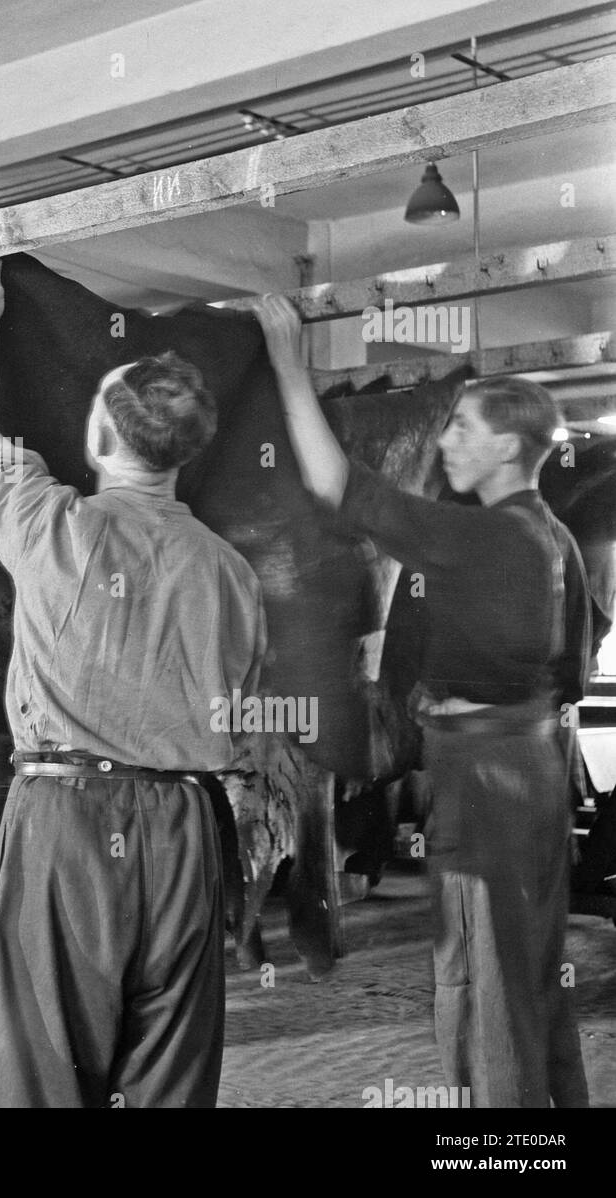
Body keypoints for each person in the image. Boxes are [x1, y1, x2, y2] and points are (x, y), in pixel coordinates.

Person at [252, 293, 590, 1109]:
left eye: (461, 427)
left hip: (487, 784)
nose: (442, 439)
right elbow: (571, 677)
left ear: (508, 446)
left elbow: (338, 486)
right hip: (530, 771)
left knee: (485, 983)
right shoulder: (555, 542)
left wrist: (286, 361)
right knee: (528, 974)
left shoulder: (482, 537)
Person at [0, 259, 267, 1108]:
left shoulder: (53, 525)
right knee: (168, 1070)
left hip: (66, 820)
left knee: (47, 1063)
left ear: (97, 438)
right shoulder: (232, 573)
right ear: (188, 452)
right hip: (184, 826)